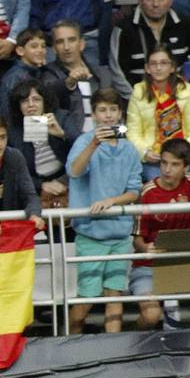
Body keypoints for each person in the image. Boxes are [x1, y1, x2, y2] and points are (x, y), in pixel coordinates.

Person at [67, 88, 142, 333]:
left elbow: (134, 191)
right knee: (85, 302)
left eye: (112, 110)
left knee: (115, 302)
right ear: (94, 114)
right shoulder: (83, 141)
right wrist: (93, 144)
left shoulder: (129, 149)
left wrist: (112, 200)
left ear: (120, 113)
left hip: (120, 236)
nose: (108, 115)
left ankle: (116, 360)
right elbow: (74, 171)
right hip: (91, 235)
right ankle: (67, 348)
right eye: (102, 110)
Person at [132, 139, 190, 330]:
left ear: (186, 167)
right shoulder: (147, 192)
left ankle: (186, 341)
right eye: (164, 163)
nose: (167, 169)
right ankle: (135, 348)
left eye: (175, 164)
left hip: (183, 264)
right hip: (149, 266)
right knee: (151, 315)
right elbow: (137, 240)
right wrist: (147, 248)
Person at [113, 0, 190, 99]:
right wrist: (139, 103)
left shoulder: (184, 25)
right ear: (140, 0)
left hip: (177, 99)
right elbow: (118, 72)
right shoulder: (124, 29)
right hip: (138, 100)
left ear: (170, 0)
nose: (155, 4)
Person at [127, 47, 190, 182]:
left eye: (164, 63)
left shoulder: (187, 92)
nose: (158, 68)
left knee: (188, 187)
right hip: (154, 159)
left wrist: (185, 153)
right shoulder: (138, 93)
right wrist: (144, 153)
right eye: (153, 63)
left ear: (172, 67)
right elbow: (132, 133)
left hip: (182, 158)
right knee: (160, 184)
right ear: (147, 68)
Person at [44, 19, 113, 141]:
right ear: (54, 48)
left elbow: (116, 112)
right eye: (60, 42)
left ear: (82, 44)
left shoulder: (103, 74)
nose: (66, 47)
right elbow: (48, 94)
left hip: (106, 142)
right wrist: (68, 82)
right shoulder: (47, 73)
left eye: (71, 40)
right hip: (69, 145)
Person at [7, 80, 71, 209]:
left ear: (44, 102)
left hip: (66, 180)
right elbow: (13, 171)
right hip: (34, 187)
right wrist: (41, 185)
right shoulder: (13, 130)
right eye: (24, 101)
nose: (31, 105)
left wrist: (61, 134)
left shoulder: (61, 117)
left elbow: (81, 149)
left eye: (36, 99)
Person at [0, 29, 54, 120]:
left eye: (43, 46)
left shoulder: (40, 72)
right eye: (34, 46)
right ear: (20, 51)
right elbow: (7, 112)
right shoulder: (14, 77)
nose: (40, 50)